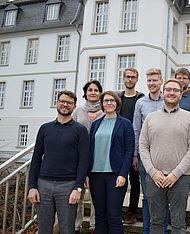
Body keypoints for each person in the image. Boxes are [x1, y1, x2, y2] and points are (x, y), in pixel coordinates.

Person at [139, 79, 190, 234]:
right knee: (156, 223)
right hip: (154, 179)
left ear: (181, 94)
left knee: (179, 223)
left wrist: (175, 173)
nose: (171, 93)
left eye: (176, 90)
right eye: (168, 89)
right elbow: (143, 146)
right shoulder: (150, 118)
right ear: (163, 92)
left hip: (180, 178)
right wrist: (152, 172)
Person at [28, 90, 90, 234]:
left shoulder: (80, 130)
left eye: (69, 103)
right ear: (57, 103)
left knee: (67, 229)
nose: (65, 105)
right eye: (62, 101)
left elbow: (83, 161)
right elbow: (36, 158)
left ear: (74, 106)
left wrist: (78, 188)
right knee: (44, 229)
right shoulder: (45, 128)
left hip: (68, 187)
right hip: (43, 185)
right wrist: (32, 186)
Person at [89, 91, 134, 234]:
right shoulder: (95, 124)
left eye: (112, 100)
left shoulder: (125, 123)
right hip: (95, 175)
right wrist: (86, 174)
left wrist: (123, 174)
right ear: (102, 104)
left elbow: (129, 150)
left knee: (113, 215)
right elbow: (90, 149)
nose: (109, 103)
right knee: (100, 215)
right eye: (106, 100)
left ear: (117, 103)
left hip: (115, 175)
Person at [133, 68, 168, 234]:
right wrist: (134, 154)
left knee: (164, 197)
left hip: (165, 156)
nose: (152, 83)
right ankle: (147, 231)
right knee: (147, 197)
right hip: (145, 157)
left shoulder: (167, 100)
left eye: (155, 80)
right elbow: (136, 130)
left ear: (161, 81)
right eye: (149, 81)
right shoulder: (140, 103)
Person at [72, 80, 104, 234]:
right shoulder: (77, 111)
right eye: (90, 90)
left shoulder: (105, 112)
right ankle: (76, 226)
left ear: (100, 93)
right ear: (85, 93)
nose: (93, 92)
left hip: (99, 159)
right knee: (77, 193)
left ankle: (94, 226)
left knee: (96, 196)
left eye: (96, 90)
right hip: (78, 159)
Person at [118, 68, 144, 225]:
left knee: (135, 180)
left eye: (133, 77)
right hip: (119, 145)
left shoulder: (141, 99)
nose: (130, 79)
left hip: (134, 144)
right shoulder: (118, 98)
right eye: (127, 77)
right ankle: (117, 209)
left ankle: (132, 212)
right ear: (123, 78)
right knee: (119, 179)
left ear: (137, 79)